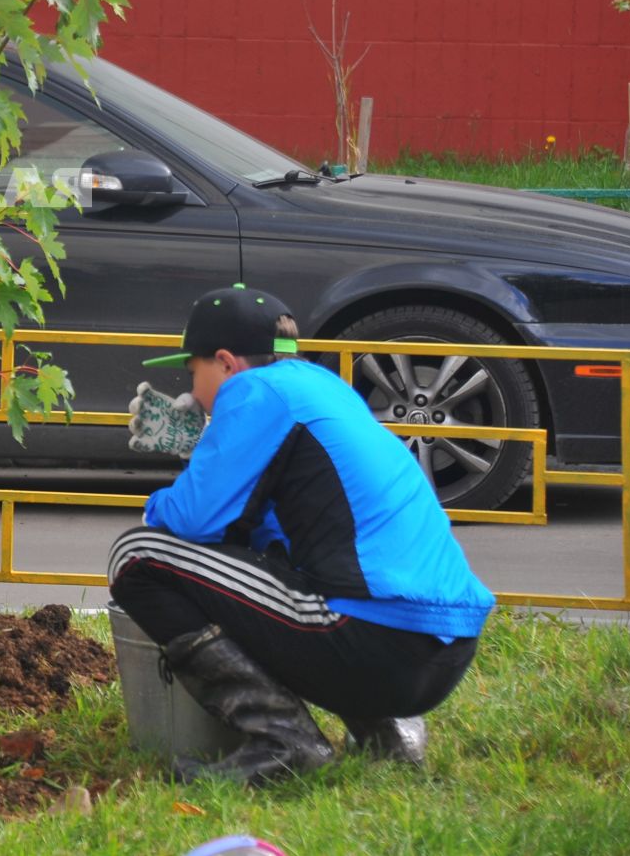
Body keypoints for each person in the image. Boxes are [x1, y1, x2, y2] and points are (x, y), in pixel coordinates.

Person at [106, 284, 494, 785]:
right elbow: (267, 540)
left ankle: (284, 743)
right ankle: (388, 733)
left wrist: (200, 460)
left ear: (225, 363)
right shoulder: (322, 389)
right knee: (295, 568)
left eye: (191, 372)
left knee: (138, 555)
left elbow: (186, 521)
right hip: (443, 651)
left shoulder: (254, 391)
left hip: (374, 643)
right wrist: (213, 448)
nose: (194, 393)